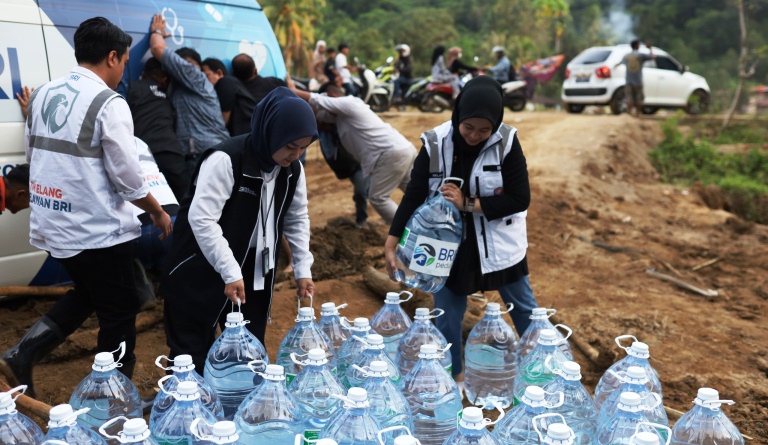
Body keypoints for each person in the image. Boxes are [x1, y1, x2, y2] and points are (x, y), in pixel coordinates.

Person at [0, 17, 173, 397]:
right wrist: (157, 211)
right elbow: (128, 180)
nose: (123, 70)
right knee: (119, 311)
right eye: (124, 61)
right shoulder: (108, 103)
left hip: (54, 226)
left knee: (90, 292)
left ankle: (22, 354)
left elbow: (33, 158)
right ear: (112, 57)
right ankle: (113, 396)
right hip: (97, 232)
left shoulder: (43, 95)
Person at [384, 76, 537, 387]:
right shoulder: (435, 143)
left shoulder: (507, 142)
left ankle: (542, 367)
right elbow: (413, 195)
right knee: (447, 314)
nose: (475, 136)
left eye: (484, 130)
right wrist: (392, 241)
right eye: (468, 127)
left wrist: (468, 203)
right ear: (458, 115)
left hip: (497, 242)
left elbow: (520, 198)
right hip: (444, 244)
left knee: (524, 308)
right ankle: (455, 380)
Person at [161, 87, 317, 373]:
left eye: (303, 148)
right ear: (271, 132)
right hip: (201, 267)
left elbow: (297, 218)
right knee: (191, 354)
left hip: (253, 272)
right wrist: (230, 271)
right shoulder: (227, 159)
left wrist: (302, 268)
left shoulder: (293, 170)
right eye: (290, 146)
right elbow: (202, 219)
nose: (296, 155)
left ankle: (238, 400)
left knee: (248, 354)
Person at [288, 80, 416, 225]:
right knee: (414, 193)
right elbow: (317, 115)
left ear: (333, 96)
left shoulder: (349, 102)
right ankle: (428, 226)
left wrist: (292, 89)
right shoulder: (341, 116)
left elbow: (316, 100)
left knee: (378, 198)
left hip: (391, 154)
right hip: (402, 149)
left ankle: (405, 230)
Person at [148, 14, 229, 175]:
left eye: (188, 64)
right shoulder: (182, 86)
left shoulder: (195, 76)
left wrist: (156, 31)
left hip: (205, 155)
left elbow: (157, 48)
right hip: (207, 154)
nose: (184, 67)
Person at [122, 58, 189, 201]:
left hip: (144, 155)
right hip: (172, 153)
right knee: (185, 202)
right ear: (165, 79)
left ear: (143, 74)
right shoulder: (168, 97)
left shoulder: (131, 87)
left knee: (149, 204)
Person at [201, 57, 258, 137]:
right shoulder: (231, 83)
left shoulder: (225, 82)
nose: (202, 80)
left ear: (219, 73)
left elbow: (222, 122)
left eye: (206, 76)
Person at [615, 39, 654, 117]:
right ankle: (637, 114)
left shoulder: (627, 55)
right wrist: (650, 48)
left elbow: (619, 63)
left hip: (628, 81)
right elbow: (652, 57)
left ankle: (629, 114)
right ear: (637, 46)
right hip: (638, 81)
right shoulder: (641, 55)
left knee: (629, 97)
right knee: (639, 98)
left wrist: (613, 66)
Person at [393, 43, 413, 108]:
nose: (400, 52)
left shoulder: (408, 60)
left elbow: (408, 69)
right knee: (403, 93)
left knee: (396, 81)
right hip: (402, 78)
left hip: (407, 79)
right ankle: (401, 104)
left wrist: (400, 69)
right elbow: (396, 66)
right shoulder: (400, 59)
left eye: (402, 51)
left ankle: (397, 97)